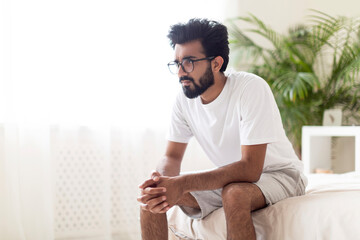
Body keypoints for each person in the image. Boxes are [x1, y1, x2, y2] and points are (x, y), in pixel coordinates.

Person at [137, 18, 307, 240]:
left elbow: (250, 169)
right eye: (177, 63)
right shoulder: (184, 100)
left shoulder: (250, 88)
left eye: (188, 62)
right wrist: (161, 183)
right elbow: (171, 155)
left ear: (216, 63)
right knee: (151, 197)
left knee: (235, 194)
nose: (180, 73)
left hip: (280, 176)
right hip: (233, 180)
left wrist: (181, 183)